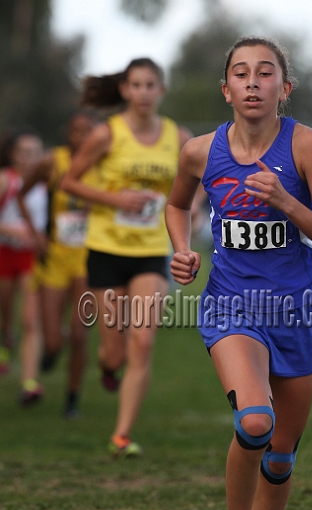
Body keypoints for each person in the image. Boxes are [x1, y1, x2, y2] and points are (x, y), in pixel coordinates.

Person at [165, 36, 312, 510]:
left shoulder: (306, 145)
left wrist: (286, 204)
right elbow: (175, 206)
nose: (252, 82)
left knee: (280, 460)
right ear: (226, 89)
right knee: (254, 421)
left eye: (264, 73)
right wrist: (182, 251)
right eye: (240, 73)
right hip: (231, 309)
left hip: (295, 314)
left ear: (283, 88)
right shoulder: (200, 151)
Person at [61, 58, 193, 455]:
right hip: (106, 249)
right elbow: (70, 181)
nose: (142, 92)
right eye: (135, 85)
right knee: (114, 351)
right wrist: (114, 199)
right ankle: (105, 365)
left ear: (161, 91)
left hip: (152, 252)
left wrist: (192, 206)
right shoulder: (106, 134)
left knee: (142, 341)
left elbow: (192, 185)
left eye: (150, 85)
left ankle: (121, 435)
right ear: (124, 90)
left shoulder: (178, 136)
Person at [17, 111, 98, 417]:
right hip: (55, 258)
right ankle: (50, 354)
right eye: (76, 131)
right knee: (53, 339)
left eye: (88, 131)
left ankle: (72, 399)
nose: (82, 138)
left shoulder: (103, 165)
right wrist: (35, 233)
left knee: (79, 335)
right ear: (68, 133)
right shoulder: (52, 161)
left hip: (88, 260)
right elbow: (20, 193)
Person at [0, 129, 47, 401]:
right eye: (24, 153)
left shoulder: (46, 182)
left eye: (35, 153)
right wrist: (10, 230)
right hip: (5, 254)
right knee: (6, 314)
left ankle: (29, 382)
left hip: (31, 258)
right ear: (13, 155)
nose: (30, 159)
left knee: (30, 320)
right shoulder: (7, 180)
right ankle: (6, 338)